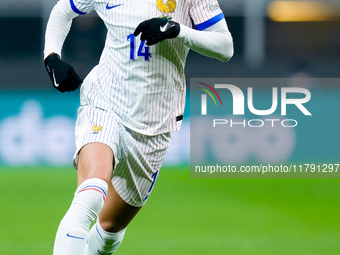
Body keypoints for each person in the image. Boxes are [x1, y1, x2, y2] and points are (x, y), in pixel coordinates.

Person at [43, 0, 233, 254]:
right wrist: (52, 57)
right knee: (90, 195)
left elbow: (225, 47)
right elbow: (63, 10)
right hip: (106, 102)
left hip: (155, 124)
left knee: (110, 230)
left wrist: (177, 30)